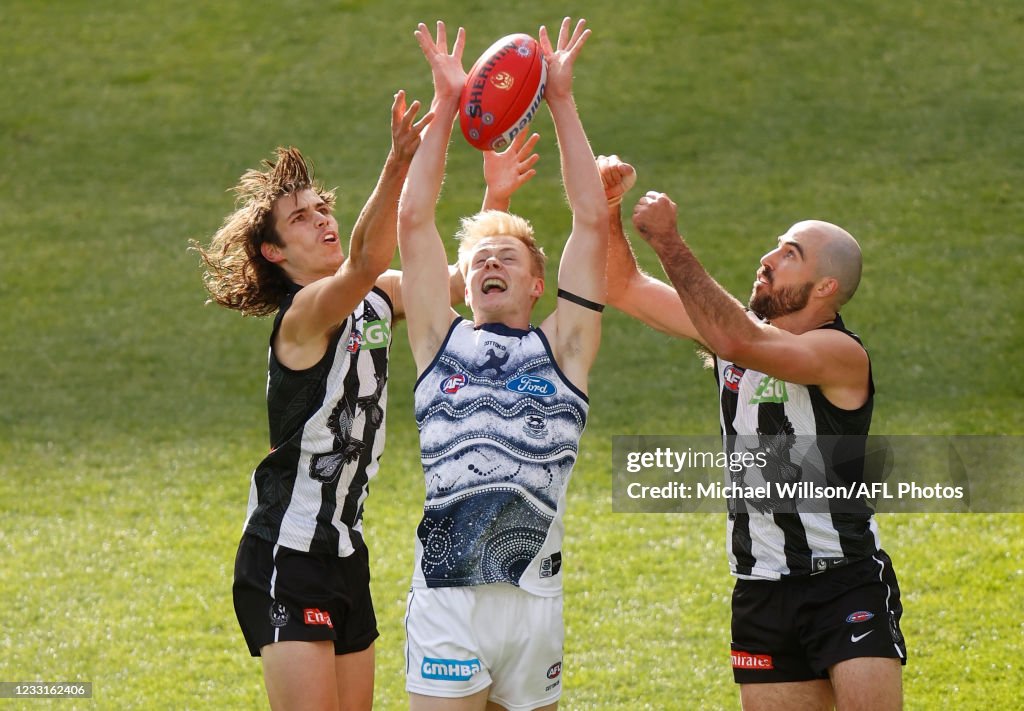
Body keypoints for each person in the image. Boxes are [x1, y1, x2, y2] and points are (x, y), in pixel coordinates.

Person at [193, 89, 540, 711]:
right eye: (302, 218)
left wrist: (497, 197)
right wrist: (398, 161)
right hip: (286, 551)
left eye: (322, 206)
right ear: (276, 253)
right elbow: (362, 260)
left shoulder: (376, 295)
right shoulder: (303, 314)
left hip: (346, 552)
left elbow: (455, 285)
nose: (323, 218)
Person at [599, 155, 907, 711]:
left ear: (825, 287)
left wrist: (670, 242)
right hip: (760, 589)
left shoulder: (840, 354)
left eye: (790, 255)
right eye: (776, 247)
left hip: (844, 581)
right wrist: (610, 208)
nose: (767, 259)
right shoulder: (733, 335)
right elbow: (620, 286)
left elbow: (743, 342)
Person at [398, 18, 608, 711]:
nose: (490, 261)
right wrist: (446, 102)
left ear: (534, 285)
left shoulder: (566, 350)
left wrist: (563, 100)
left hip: (535, 601)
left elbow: (590, 219)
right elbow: (414, 221)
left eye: (506, 257)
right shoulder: (437, 339)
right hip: (449, 598)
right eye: (480, 257)